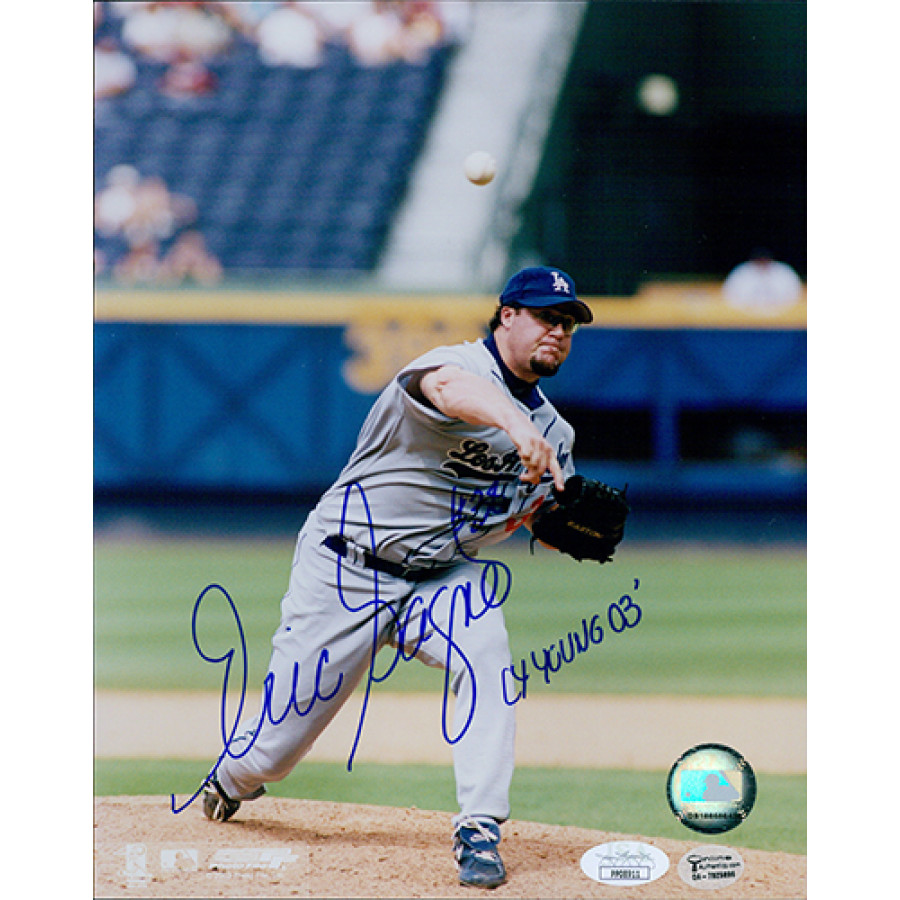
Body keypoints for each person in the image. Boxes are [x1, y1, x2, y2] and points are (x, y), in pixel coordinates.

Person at [197, 267, 596, 890]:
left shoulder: (556, 436)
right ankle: (232, 776)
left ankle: (480, 826)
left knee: (487, 654)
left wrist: (551, 524)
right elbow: (450, 391)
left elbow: (527, 516)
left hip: (440, 578)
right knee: (274, 752)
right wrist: (514, 425)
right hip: (345, 565)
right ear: (507, 316)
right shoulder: (453, 365)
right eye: (547, 316)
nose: (559, 331)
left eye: (568, 323)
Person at [722, 248, 803, 313]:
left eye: (764, 260)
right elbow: (729, 295)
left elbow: (796, 294)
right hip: (745, 318)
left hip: (782, 318)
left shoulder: (783, 271)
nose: (762, 263)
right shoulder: (742, 272)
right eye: (759, 260)